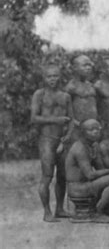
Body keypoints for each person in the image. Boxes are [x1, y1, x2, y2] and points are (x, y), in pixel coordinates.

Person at [31, 63, 74, 222]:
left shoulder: (65, 96)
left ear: (60, 76)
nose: (52, 79)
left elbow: (71, 120)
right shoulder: (39, 95)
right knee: (47, 176)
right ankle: (47, 212)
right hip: (46, 140)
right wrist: (56, 120)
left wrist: (66, 139)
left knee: (62, 176)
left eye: (55, 76)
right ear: (44, 77)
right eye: (49, 76)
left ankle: (60, 209)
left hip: (61, 141)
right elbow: (34, 118)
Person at [65, 119, 109, 223]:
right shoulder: (79, 148)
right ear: (82, 132)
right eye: (91, 129)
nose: (96, 132)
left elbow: (100, 168)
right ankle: (97, 212)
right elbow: (90, 175)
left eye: (97, 129)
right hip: (77, 187)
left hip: (87, 184)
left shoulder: (94, 145)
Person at [65, 55, 98, 143]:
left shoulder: (91, 85)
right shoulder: (71, 87)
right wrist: (77, 123)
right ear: (75, 68)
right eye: (85, 65)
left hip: (93, 127)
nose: (88, 68)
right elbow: (65, 110)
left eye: (89, 65)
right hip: (78, 128)